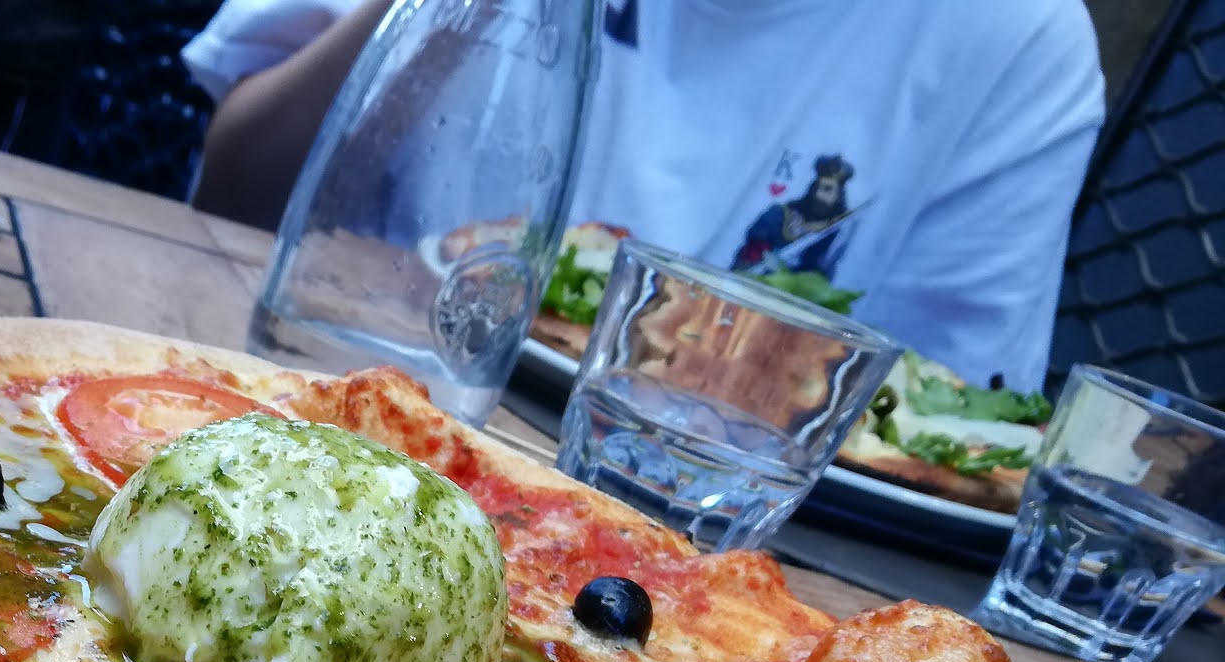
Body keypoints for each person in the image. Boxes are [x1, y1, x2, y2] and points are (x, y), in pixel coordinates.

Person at [183, 0, 1105, 389]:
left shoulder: (1019, 36)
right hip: (326, 378)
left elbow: (923, 421)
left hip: (696, 561)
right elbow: (232, 188)